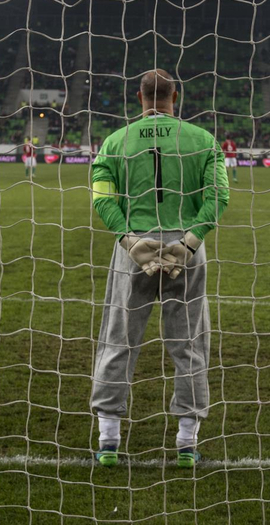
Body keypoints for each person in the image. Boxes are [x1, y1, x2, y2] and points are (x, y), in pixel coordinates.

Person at [89, 69, 229, 469]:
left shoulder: (116, 142)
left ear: (139, 98)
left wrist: (128, 239)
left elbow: (101, 198)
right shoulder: (203, 140)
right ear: (175, 96)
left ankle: (108, 441)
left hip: (135, 250)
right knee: (189, 344)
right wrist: (190, 241)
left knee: (119, 339)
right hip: (185, 249)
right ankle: (186, 443)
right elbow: (220, 195)